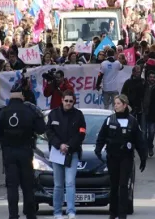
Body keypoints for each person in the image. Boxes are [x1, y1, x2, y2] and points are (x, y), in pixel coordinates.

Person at [0, 79, 46, 219]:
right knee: (27, 186)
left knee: (12, 187)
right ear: (22, 96)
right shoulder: (29, 110)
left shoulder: (3, 111)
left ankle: (13, 215)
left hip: (9, 152)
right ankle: (30, 214)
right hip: (25, 151)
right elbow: (41, 129)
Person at [95, 94, 147, 219]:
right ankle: (113, 213)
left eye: (118, 103)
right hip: (112, 157)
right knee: (114, 185)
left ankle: (122, 214)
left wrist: (143, 157)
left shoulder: (132, 121)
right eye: (115, 103)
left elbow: (139, 141)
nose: (116, 106)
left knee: (123, 185)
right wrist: (98, 150)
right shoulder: (109, 120)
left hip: (126, 158)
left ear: (124, 105)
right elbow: (101, 136)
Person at [45, 90, 86, 219]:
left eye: (71, 101)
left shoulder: (79, 115)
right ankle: (57, 212)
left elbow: (82, 132)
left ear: (74, 102)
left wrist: (69, 146)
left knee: (69, 182)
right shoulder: (53, 114)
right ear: (62, 100)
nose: (68, 103)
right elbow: (49, 132)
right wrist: (59, 145)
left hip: (72, 153)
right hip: (57, 153)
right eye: (66, 100)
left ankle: (71, 211)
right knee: (58, 184)